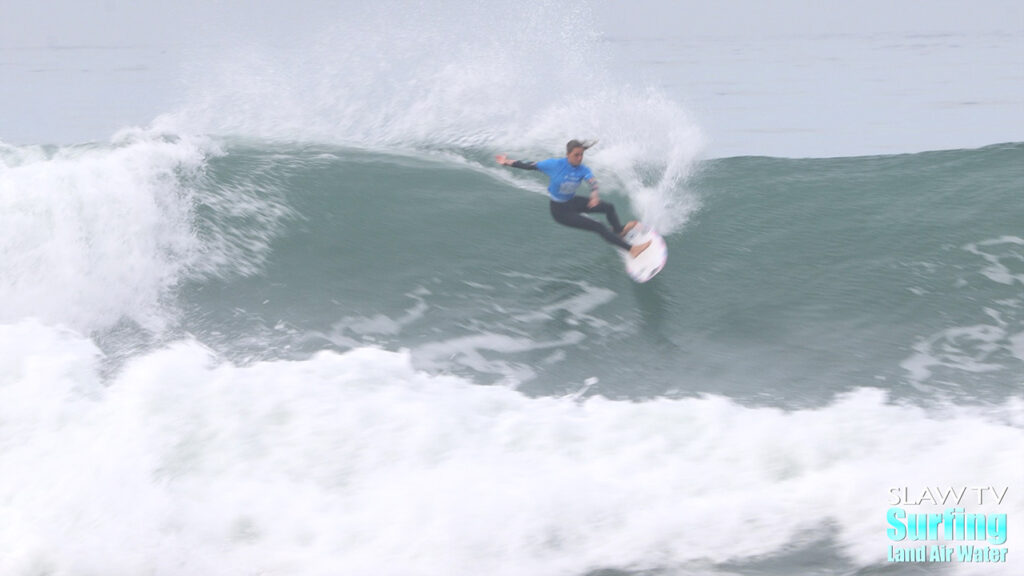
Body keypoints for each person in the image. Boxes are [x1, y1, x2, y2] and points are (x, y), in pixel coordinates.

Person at [496, 140, 651, 258]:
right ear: (568, 154)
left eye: (581, 155)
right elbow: (529, 165)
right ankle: (632, 250)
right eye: (576, 155)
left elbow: (592, 181)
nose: (579, 158)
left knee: (608, 207)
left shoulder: (583, 169)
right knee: (599, 226)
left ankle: (619, 232)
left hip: (572, 202)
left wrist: (594, 194)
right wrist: (507, 162)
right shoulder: (553, 164)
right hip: (560, 211)